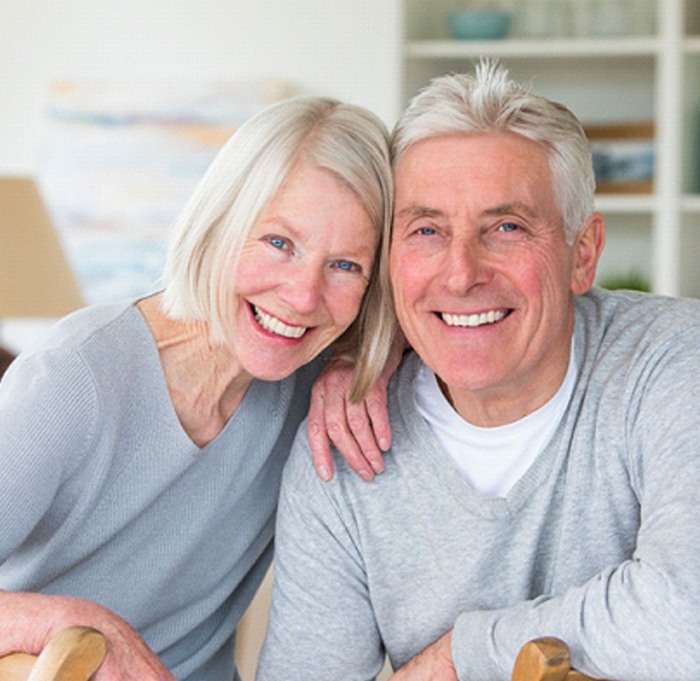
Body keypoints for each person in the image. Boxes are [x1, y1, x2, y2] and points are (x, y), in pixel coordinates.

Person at [256, 61, 700, 681]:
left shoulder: (677, 362)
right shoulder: (342, 449)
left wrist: (465, 655)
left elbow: (687, 623)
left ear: (583, 253)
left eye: (508, 227)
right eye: (427, 229)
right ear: (389, 260)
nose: (461, 273)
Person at [0, 95, 393, 681]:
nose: (303, 296)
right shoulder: (73, 378)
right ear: (219, 223)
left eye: (345, 266)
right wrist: (70, 620)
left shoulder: (310, 381)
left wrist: (369, 359)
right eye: (278, 243)